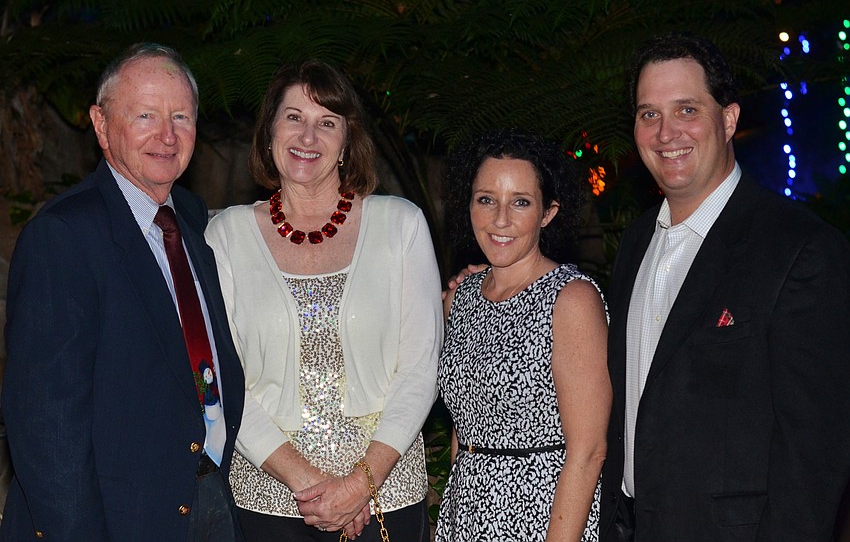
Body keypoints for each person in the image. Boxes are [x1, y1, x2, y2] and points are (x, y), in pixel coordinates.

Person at [599, 32, 850, 541]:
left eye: (687, 109)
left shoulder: (800, 249)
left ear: (728, 119)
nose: (666, 133)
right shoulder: (635, 240)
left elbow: (815, 454)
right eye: (649, 114)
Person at [1, 44, 245, 540]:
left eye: (181, 116)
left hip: (207, 498)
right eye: (145, 115)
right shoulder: (64, 236)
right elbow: (46, 427)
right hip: (116, 519)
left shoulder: (190, 219)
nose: (167, 135)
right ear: (100, 123)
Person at [205, 59, 442, 541]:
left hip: (386, 495)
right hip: (268, 499)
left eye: (326, 122)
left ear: (346, 141)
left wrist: (360, 485)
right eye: (293, 117)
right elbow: (221, 377)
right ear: (270, 132)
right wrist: (311, 485)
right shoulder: (225, 235)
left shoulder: (402, 225)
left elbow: (420, 369)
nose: (307, 136)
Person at [436, 129, 611, 541]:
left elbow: (587, 452)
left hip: (543, 516)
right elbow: (465, 429)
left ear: (547, 213)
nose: (500, 219)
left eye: (520, 202)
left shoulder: (571, 299)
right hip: (466, 514)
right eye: (486, 200)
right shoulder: (461, 300)